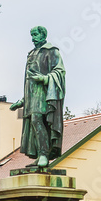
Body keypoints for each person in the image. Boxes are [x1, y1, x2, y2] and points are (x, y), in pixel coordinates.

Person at [10, 26, 65, 167]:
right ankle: (41, 154)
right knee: (34, 124)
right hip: (32, 98)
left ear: (43, 35)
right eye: (32, 35)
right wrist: (22, 101)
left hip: (45, 96)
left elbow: (60, 72)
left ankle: (44, 154)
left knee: (38, 121)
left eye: (35, 34)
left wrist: (44, 79)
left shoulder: (51, 51)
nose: (33, 38)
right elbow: (28, 83)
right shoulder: (31, 54)